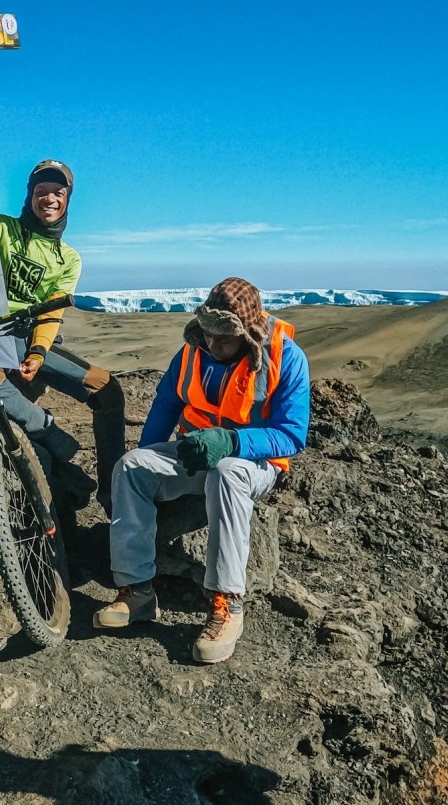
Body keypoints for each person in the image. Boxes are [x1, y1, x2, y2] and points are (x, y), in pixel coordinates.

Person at [93, 277, 311, 663]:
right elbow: (166, 406)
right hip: (194, 453)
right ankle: (138, 591)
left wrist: (233, 443)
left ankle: (227, 604)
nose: (213, 345)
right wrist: (151, 466)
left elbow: (292, 436)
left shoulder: (286, 358)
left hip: (252, 463)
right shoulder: (192, 351)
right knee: (130, 467)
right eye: (209, 335)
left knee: (226, 472)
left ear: (247, 332)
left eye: (223, 338)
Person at [0, 159, 127, 510]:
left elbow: (51, 312)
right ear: (29, 196)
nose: (49, 199)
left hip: (30, 337)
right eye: (41, 192)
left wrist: (38, 353)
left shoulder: (69, 258)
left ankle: (114, 492)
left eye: (58, 193)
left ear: (67, 199)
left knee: (107, 389)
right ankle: (48, 431)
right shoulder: (0, 229)